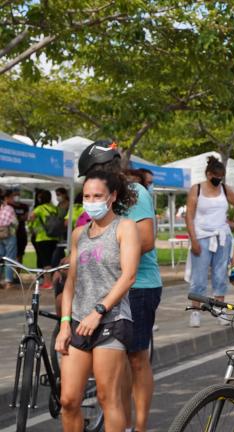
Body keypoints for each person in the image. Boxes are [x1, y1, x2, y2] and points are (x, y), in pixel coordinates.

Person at [78, 140, 163, 432]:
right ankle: (122, 422)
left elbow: (148, 240)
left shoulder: (135, 192)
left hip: (138, 285)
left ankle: (138, 427)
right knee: (118, 358)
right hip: (104, 288)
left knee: (136, 357)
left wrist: (114, 253)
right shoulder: (96, 197)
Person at [54, 169, 140, 432]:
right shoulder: (79, 234)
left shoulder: (125, 228)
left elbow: (129, 276)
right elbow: (71, 282)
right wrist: (65, 323)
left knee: (107, 398)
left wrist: (99, 311)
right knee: (68, 400)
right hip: (78, 322)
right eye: (87, 196)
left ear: (112, 196)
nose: (92, 201)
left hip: (111, 322)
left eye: (98, 195)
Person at [185, 155, 234, 327]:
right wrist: (193, 239)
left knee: (220, 276)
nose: (218, 180)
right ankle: (195, 311)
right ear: (208, 174)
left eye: (221, 177)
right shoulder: (196, 189)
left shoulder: (225, 190)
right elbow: (189, 216)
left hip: (222, 237)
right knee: (199, 277)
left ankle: (220, 310)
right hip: (202, 237)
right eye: (216, 177)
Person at [28, 189, 61, 288]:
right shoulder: (54, 208)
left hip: (42, 237)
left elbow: (31, 218)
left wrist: (31, 226)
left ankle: (48, 282)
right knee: (51, 260)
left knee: (45, 261)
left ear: (40, 198)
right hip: (54, 237)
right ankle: (52, 281)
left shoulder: (39, 208)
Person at [0, 189, 19, 289]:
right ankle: (8, 281)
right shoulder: (9, 208)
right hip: (9, 234)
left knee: (1, 258)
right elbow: (15, 222)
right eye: (12, 197)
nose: (14, 199)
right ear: (6, 198)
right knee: (9, 258)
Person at [9, 188, 29, 266]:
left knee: (20, 253)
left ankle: (18, 272)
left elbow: (25, 217)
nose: (16, 196)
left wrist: (19, 218)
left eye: (18, 195)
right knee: (10, 254)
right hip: (11, 232)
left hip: (21, 231)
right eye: (15, 195)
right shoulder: (9, 206)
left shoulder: (24, 206)